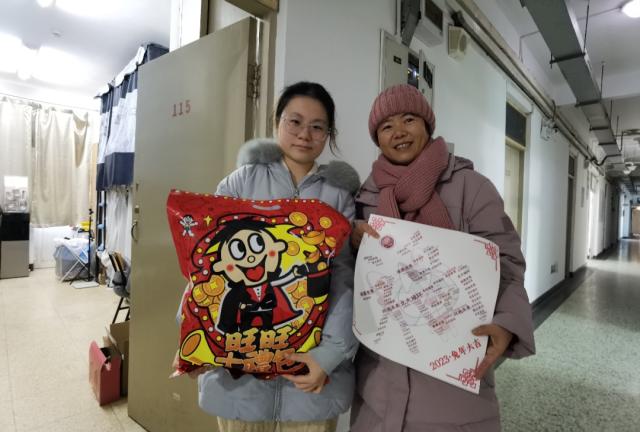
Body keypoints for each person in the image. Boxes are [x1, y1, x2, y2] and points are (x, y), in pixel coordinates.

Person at [349, 84, 535, 432]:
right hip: (378, 384)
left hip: (454, 378)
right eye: (387, 126)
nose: (399, 131)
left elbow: (507, 263)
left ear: (427, 125)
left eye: (409, 119)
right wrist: (351, 238)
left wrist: (507, 323)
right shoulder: (365, 197)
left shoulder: (471, 187)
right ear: (377, 138)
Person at [181, 81, 360, 432]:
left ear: (328, 134)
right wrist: (193, 335)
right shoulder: (238, 184)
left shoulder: (338, 197)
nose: (305, 134)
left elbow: (345, 279)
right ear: (276, 122)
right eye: (295, 122)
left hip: (311, 379)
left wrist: (329, 355)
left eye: (317, 126)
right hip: (239, 380)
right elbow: (206, 268)